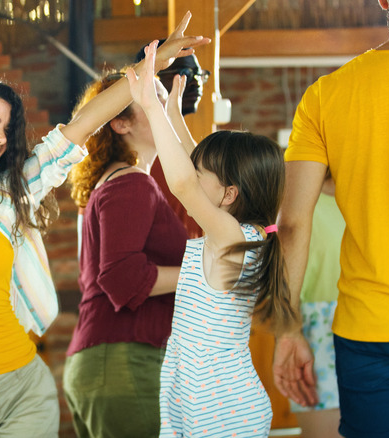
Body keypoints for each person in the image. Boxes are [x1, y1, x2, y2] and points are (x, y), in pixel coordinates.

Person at [0, 1, 209, 435]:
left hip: (23, 393)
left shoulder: (6, 199)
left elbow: (84, 123)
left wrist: (151, 66)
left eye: (7, 130)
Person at [128, 41, 299, 437]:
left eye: (202, 173)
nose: (192, 172)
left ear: (229, 195)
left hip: (221, 405)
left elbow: (186, 183)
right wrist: (171, 110)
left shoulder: (231, 236)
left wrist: (151, 110)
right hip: (200, 395)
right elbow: (197, 167)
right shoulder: (243, 230)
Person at [274, 1, 389, 436]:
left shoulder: (327, 94)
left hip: (369, 333)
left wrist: (287, 326)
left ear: (385, 2)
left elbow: (292, 222)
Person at [62, 68, 192, 438]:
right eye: (153, 102)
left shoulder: (118, 182)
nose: (164, 109)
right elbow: (121, 278)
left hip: (107, 360)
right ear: (120, 123)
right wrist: (206, 271)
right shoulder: (132, 182)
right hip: (123, 359)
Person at [288, 172, 343, 438]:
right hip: (312, 332)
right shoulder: (295, 204)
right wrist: (289, 332)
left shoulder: (374, 200)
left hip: (377, 327)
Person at [136, 40, 209, 238]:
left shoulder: (192, 147)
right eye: (184, 74)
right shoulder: (140, 153)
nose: (195, 82)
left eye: (199, 75)